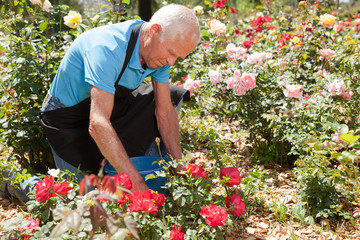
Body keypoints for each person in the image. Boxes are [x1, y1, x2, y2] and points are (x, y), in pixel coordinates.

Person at [40, 4, 200, 193]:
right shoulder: (107, 48)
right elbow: (98, 123)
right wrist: (136, 182)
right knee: (82, 198)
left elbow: (164, 112)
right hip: (67, 119)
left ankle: (140, 165)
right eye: (171, 53)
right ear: (154, 30)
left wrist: (181, 168)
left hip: (107, 106)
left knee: (172, 95)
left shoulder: (158, 50)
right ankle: (13, 180)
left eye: (178, 57)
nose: (171, 62)